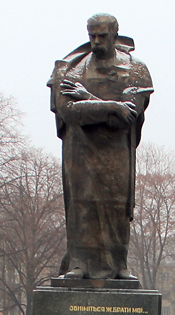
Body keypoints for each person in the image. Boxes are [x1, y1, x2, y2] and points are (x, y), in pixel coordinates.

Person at [47, 13, 152, 280]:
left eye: (102, 36)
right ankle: (79, 263)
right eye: (92, 35)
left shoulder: (135, 70)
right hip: (80, 151)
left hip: (116, 153)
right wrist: (112, 106)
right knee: (82, 205)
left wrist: (87, 98)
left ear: (115, 35)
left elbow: (129, 115)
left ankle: (119, 266)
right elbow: (69, 111)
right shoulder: (70, 69)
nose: (96, 41)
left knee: (116, 206)